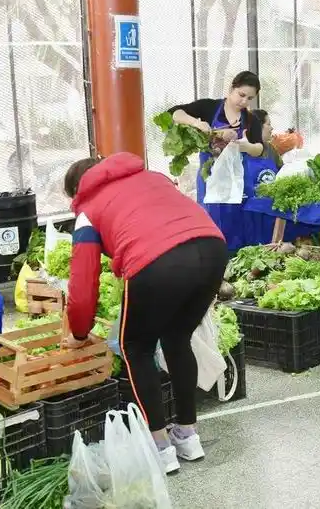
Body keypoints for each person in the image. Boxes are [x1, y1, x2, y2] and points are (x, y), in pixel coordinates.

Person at [60, 153, 228, 474]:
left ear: (76, 191)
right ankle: (188, 435)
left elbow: (83, 285)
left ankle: (160, 447)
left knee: (136, 347)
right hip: (212, 248)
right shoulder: (154, 178)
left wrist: (79, 333)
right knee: (177, 338)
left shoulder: (87, 211)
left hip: (156, 261)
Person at [169, 71, 280, 250]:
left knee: (241, 228)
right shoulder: (209, 108)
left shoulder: (251, 119)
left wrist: (245, 147)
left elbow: (259, 148)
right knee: (214, 227)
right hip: (211, 180)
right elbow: (174, 113)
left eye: (249, 98)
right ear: (231, 88)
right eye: (241, 95)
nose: (244, 101)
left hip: (240, 183)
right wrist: (197, 124)